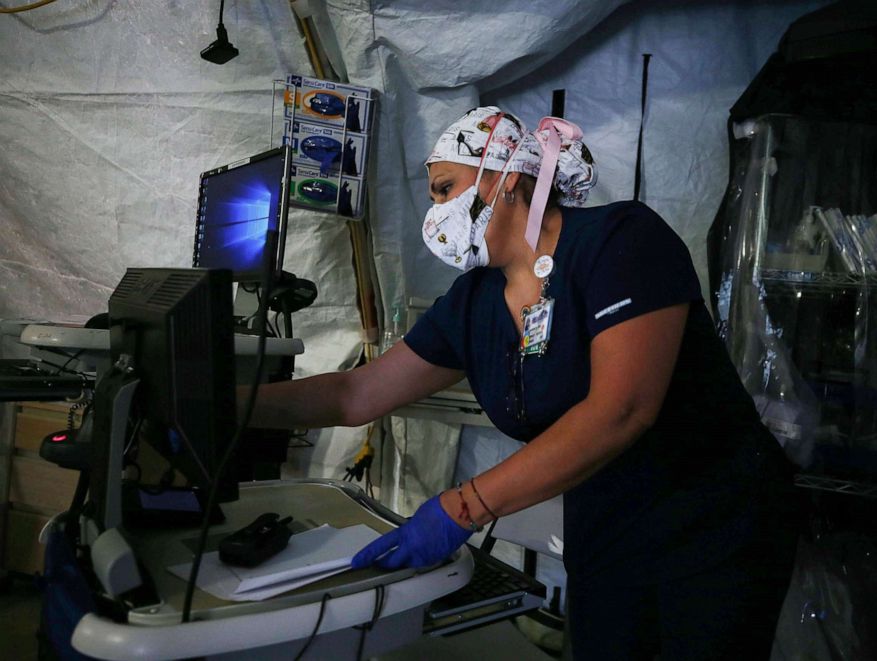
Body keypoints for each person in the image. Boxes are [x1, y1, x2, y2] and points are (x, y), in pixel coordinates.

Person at [248, 106, 801, 659]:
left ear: (506, 176)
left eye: (444, 189)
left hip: (712, 524)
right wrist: (229, 405)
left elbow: (623, 409)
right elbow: (354, 395)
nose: (435, 212)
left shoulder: (620, 241)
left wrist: (463, 506)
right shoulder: (475, 300)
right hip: (605, 527)